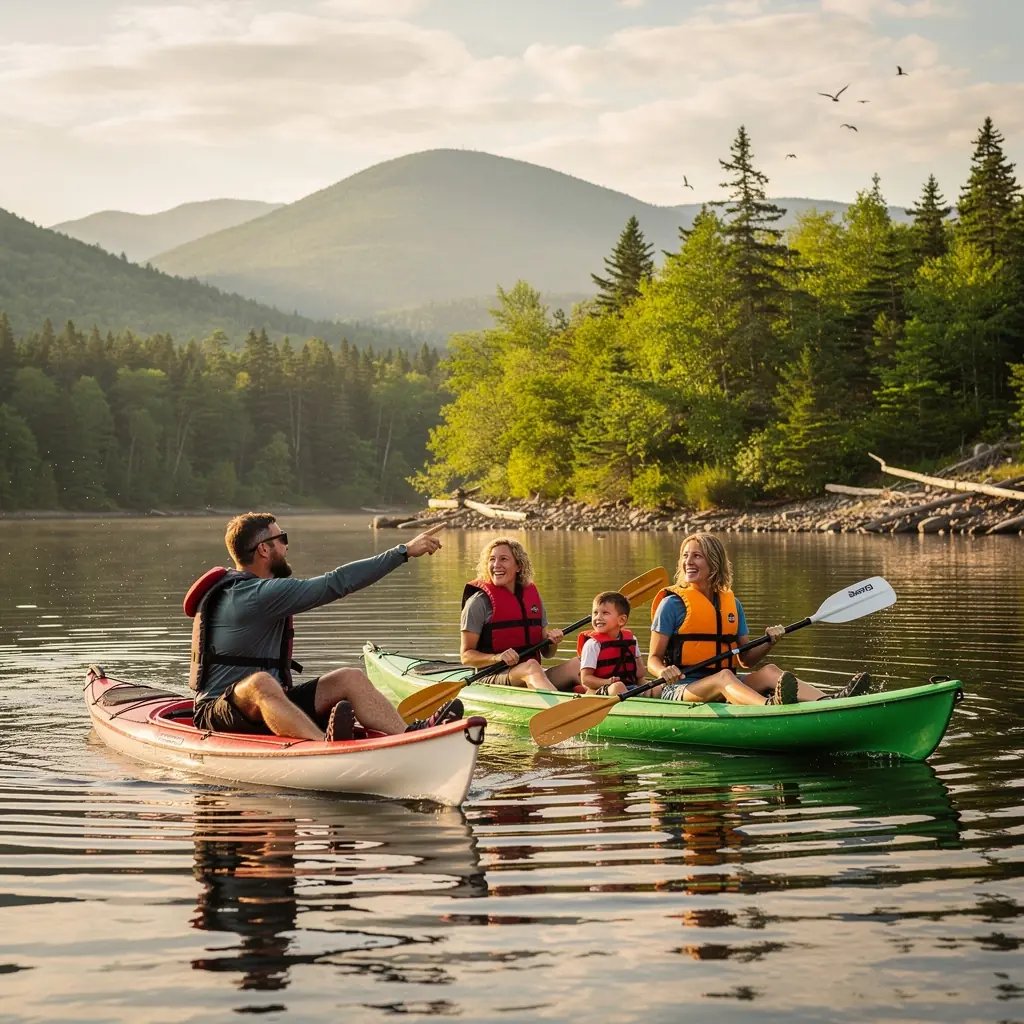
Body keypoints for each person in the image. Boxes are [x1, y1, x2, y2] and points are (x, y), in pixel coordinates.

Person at [188, 512, 462, 741]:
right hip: (217, 712)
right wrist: (402, 552)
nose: (286, 546)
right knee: (261, 683)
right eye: (282, 539)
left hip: (270, 706)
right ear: (263, 549)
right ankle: (323, 746)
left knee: (350, 678)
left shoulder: (259, 591)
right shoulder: (255, 595)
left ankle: (410, 737)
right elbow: (336, 582)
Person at [648, 533, 872, 705]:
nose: (688, 561)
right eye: (685, 556)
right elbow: (653, 659)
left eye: (697, 555)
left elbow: (746, 660)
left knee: (770, 671)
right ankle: (768, 706)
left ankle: (829, 702)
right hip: (682, 688)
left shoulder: (732, 605)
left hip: (727, 682)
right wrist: (663, 672)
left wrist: (768, 642)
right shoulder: (671, 605)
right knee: (724, 676)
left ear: (713, 563)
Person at [460, 537, 580, 692]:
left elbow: (547, 653)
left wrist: (553, 642)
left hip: (532, 673)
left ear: (518, 566)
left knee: (577, 664)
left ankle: (609, 702)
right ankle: (561, 711)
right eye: (492, 559)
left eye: (503, 559)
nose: (496, 565)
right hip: (491, 677)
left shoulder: (533, 599)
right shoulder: (478, 603)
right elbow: (466, 657)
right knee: (531, 667)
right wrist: (497, 657)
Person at [578, 591, 659, 697]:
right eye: (595, 612)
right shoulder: (592, 644)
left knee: (656, 688)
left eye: (605, 613)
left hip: (630, 686)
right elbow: (586, 679)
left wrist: (646, 684)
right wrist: (607, 682)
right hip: (600, 689)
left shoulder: (631, 639)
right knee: (618, 687)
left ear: (621, 620)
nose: (598, 617)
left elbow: (639, 674)